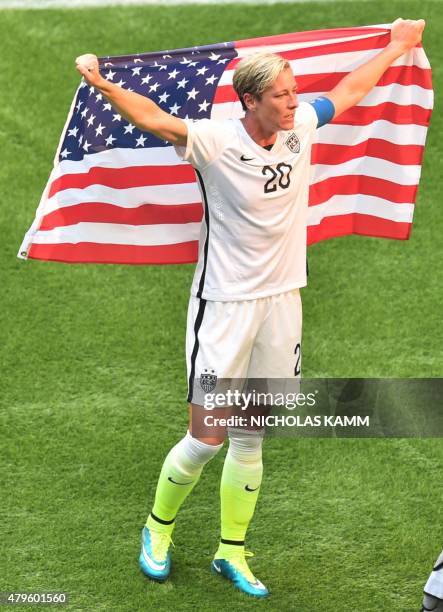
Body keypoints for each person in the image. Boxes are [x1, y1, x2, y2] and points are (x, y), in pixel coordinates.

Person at [75, 18, 425, 599]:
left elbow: (348, 92)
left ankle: (230, 552)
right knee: (207, 435)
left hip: (282, 302)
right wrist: (102, 83)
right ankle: (156, 532)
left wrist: (397, 45)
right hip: (225, 306)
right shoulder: (214, 140)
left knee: (252, 433)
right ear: (251, 101)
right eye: (282, 94)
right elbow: (153, 118)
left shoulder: (300, 127)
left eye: (294, 92)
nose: (295, 102)